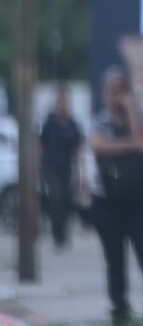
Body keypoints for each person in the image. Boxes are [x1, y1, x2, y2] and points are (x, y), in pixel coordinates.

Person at [89, 65, 143, 326]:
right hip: (108, 203)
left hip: (140, 203)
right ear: (104, 94)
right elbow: (98, 145)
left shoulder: (141, 117)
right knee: (115, 260)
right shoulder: (100, 121)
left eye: (121, 90)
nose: (116, 96)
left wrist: (132, 109)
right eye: (112, 91)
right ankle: (120, 316)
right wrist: (131, 146)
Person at [39, 83, 86, 249]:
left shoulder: (72, 124)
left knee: (67, 200)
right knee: (56, 199)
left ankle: (63, 232)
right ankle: (57, 235)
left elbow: (78, 149)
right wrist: (38, 167)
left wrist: (83, 172)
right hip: (50, 167)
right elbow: (41, 146)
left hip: (66, 168)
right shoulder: (49, 123)